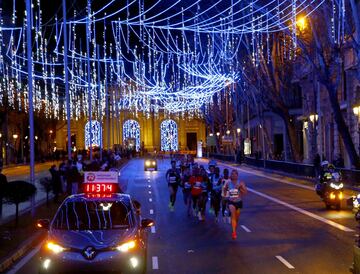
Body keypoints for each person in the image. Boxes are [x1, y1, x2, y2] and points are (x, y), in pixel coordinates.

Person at [223, 169, 247, 239]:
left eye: (235, 174)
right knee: (233, 215)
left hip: (239, 202)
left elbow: (245, 192)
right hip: (231, 202)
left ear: (237, 175)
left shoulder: (241, 183)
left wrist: (240, 188)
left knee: (237, 218)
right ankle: (234, 232)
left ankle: (234, 228)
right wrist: (225, 196)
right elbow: (225, 189)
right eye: (232, 174)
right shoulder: (228, 182)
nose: (233, 175)